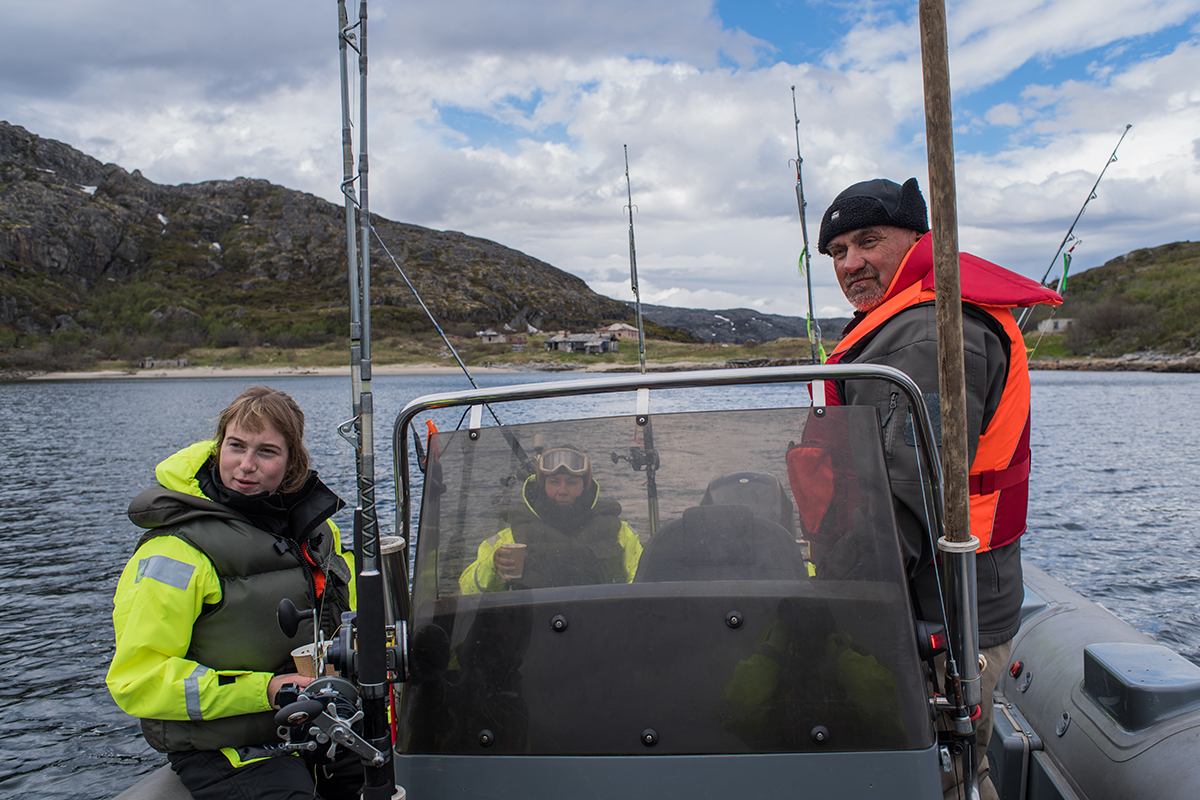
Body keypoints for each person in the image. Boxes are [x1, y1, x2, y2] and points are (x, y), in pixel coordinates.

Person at [812, 178, 1061, 799]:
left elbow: (905, 500)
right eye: (837, 250)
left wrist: (830, 603)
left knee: (941, 777)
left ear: (920, 240)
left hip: (935, 610)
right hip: (946, 598)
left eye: (868, 241)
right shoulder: (905, 322)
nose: (850, 263)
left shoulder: (924, 334)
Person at [106, 386, 361, 800]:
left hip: (315, 722)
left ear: (292, 462)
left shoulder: (316, 532)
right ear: (217, 448)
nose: (245, 465)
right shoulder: (175, 550)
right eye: (236, 446)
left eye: (266, 452)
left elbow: (344, 614)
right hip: (223, 747)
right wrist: (264, 690)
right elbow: (138, 680)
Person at [459, 446, 641, 593]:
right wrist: (493, 566)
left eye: (572, 482)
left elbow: (642, 579)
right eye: (554, 482)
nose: (562, 490)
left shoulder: (619, 531)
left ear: (585, 487)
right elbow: (467, 589)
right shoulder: (511, 537)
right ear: (541, 486)